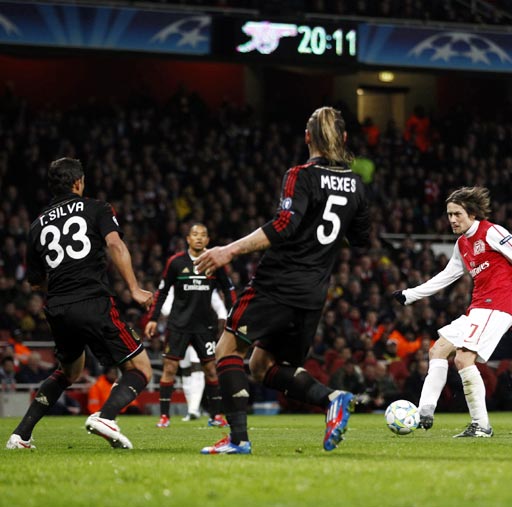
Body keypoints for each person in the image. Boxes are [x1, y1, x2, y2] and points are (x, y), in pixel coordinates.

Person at [195, 106, 370, 454]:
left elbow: (283, 226)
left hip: (277, 283)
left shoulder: (300, 175)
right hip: (313, 292)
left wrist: (228, 251)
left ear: (307, 137)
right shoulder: (356, 184)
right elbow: (361, 238)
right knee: (262, 366)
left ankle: (238, 440)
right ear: (345, 139)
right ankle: (333, 399)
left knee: (227, 351)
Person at [6, 157, 153, 450]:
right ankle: (106, 417)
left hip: (58, 308)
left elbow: (35, 282)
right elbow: (115, 244)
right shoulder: (97, 208)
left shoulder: (36, 226)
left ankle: (20, 435)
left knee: (69, 372)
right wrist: (134, 288)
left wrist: (62, 284)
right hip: (92, 301)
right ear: (78, 182)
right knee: (141, 368)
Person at [393, 186, 512, 437]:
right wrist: (410, 294)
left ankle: (481, 425)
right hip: (478, 308)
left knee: (462, 359)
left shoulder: (492, 231)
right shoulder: (462, 244)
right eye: (449, 214)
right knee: (437, 349)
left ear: (472, 214)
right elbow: (446, 276)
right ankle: (425, 410)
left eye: (457, 214)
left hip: (498, 306)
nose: (452, 219)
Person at [144, 223, 236, 428]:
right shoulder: (176, 262)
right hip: (178, 325)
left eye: (203, 235)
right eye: (195, 235)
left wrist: (233, 316)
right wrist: (153, 318)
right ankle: (165, 417)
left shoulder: (214, 262)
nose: (199, 238)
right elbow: (162, 291)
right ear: (188, 239)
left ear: (208, 240)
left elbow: (229, 290)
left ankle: (216, 416)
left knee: (211, 370)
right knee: (170, 368)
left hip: (205, 327)